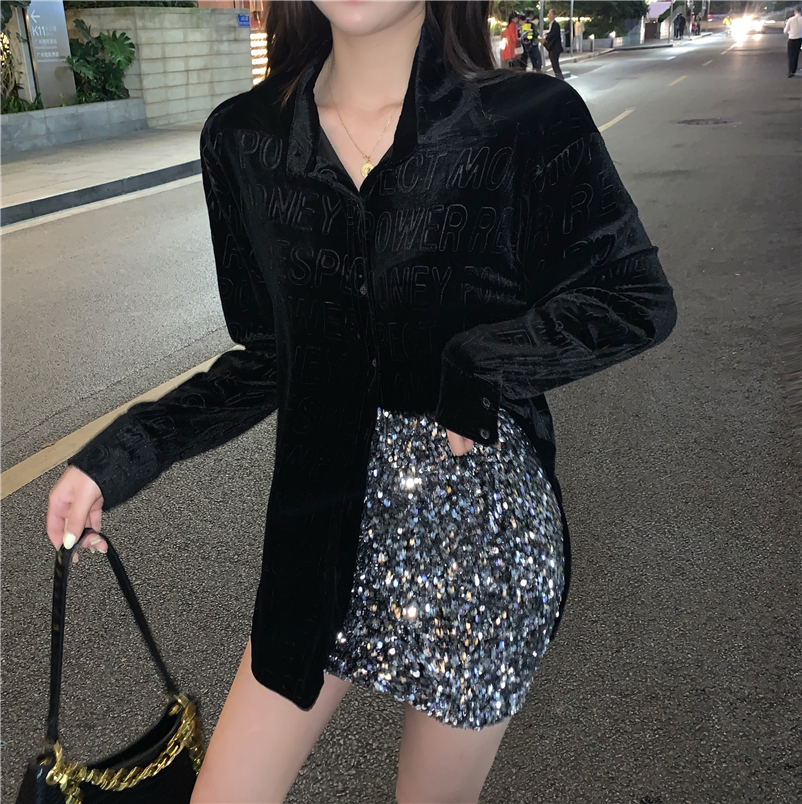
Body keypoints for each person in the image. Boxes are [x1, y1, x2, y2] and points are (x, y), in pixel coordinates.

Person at [46, 2, 677, 802]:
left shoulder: (529, 119)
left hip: (482, 544)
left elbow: (633, 296)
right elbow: (270, 357)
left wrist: (480, 366)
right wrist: (117, 458)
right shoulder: (245, 139)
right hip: (317, 536)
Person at [542, 8, 564, 79]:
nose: (548, 15)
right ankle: (559, 77)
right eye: (548, 14)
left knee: (555, 63)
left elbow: (553, 35)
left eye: (550, 14)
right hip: (553, 47)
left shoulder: (556, 25)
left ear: (554, 15)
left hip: (555, 47)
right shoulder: (551, 24)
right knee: (554, 63)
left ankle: (559, 77)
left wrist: (545, 39)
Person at [520, 8, 542, 73]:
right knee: (536, 59)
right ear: (531, 15)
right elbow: (535, 33)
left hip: (525, 44)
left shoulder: (523, 24)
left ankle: (523, 71)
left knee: (525, 60)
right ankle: (537, 72)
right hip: (533, 44)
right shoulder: (532, 24)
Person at [784, 6, 802, 77]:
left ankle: (790, 71)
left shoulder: (790, 19)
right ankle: (794, 69)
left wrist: (791, 31)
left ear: (795, 11)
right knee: (796, 55)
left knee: (790, 55)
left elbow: (785, 31)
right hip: (799, 39)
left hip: (791, 39)